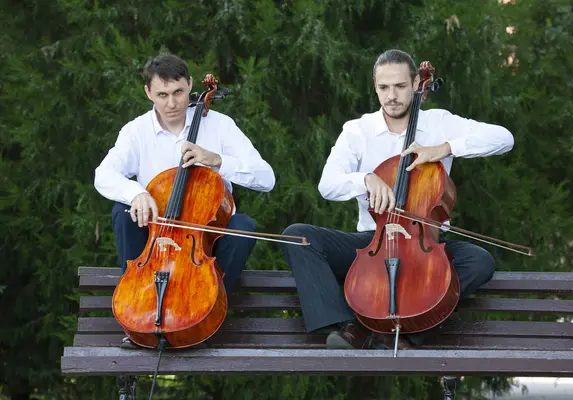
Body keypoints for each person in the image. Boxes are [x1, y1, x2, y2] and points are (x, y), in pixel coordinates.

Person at [279, 49, 514, 350]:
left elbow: (504, 138)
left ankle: (399, 331)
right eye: (384, 87)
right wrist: (364, 179)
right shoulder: (357, 130)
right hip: (371, 243)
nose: (392, 96)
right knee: (297, 236)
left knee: (479, 261)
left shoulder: (440, 122)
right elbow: (328, 184)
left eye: (400, 86)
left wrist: (444, 148)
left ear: (417, 83)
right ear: (375, 87)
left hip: (426, 246)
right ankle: (349, 325)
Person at [94, 53, 275, 347]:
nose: (172, 103)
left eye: (179, 92)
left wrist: (217, 160)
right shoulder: (136, 131)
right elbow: (103, 175)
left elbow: (266, 178)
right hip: (155, 238)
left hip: (201, 242)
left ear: (190, 85)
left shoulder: (219, 125)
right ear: (148, 93)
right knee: (122, 211)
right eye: (162, 95)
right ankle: (137, 312)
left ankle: (203, 316)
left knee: (242, 226)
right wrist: (136, 193)